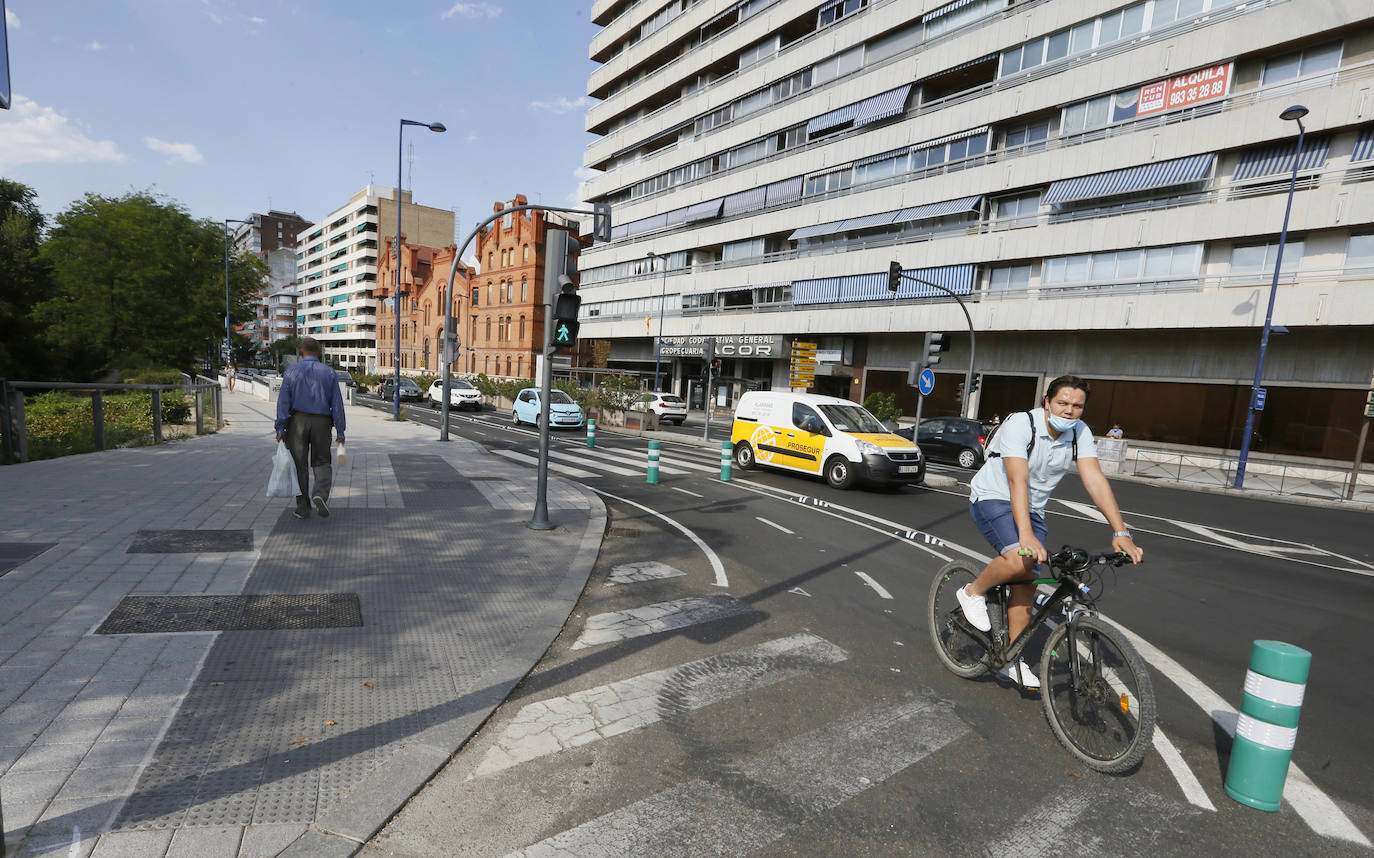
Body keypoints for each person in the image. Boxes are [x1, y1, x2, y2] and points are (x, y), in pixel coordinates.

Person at [957, 375, 1142, 689]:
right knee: (1019, 558)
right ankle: (971, 593)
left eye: (1077, 406)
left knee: (1028, 579)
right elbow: (1017, 479)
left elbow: (1095, 480)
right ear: (1047, 403)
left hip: (1034, 508)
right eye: (1063, 403)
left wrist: (1121, 531)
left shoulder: (1079, 433)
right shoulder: (1021, 424)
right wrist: (1025, 535)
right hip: (994, 497)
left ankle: (1011, 660)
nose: (1069, 410)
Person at [274, 337, 346, 519]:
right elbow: (337, 403)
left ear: (300, 353)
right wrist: (340, 431)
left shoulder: (291, 371)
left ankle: (303, 507)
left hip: (297, 422)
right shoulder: (329, 373)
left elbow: (283, 402)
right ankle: (319, 494)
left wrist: (280, 428)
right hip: (322, 422)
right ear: (320, 353)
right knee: (322, 461)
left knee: (300, 466)